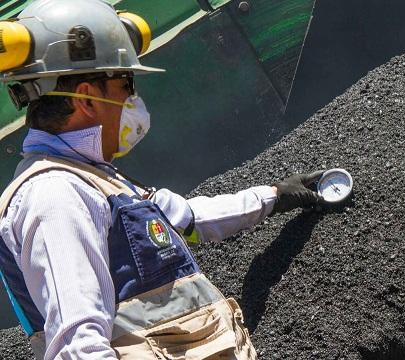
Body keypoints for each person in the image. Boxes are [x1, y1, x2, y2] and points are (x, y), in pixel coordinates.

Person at [0, 0, 322, 359]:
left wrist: (275, 195)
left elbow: (190, 219)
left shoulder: (98, 180)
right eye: (126, 83)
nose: (133, 98)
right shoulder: (55, 196)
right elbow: (78, 348)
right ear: (88, 98)